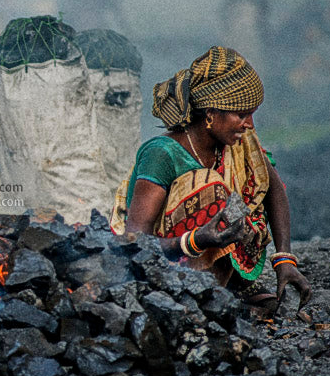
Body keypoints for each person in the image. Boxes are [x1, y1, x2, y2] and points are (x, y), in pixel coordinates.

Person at [111, 46, 312, 310]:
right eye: (241, 115)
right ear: (210, 114)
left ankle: (226, 286)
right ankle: (196, 295)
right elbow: (135, 241)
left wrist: (284, 259)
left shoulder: (239, 143)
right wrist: (196, 240)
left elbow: (273, 189)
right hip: (160, 266)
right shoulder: (162, 154)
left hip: (207, 256)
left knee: (239, 202)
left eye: (252, 114)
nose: (249, 124)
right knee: (210, 187)